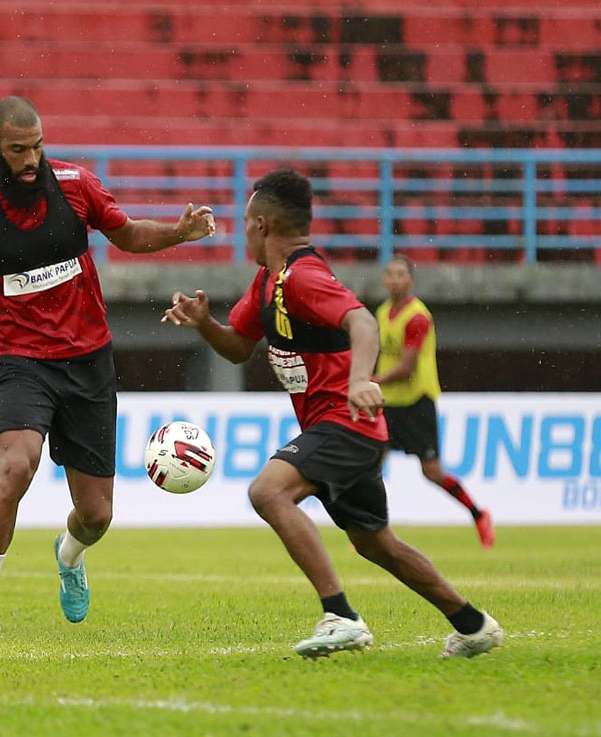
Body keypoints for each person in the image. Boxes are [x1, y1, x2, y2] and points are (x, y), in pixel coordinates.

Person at [0, 96, 215, 632]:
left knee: (96, 515)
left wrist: (178, 232)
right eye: (18, 149)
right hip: (20, 361)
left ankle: (69, 558)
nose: (31, 158)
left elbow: (125, 233)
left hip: (88, 361)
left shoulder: (76, 185)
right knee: (16, 466)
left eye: (37, 145)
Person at [162, 168, 502, 659]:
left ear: (261, 225)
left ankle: (340, 616)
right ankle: (473, 625)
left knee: (268, 491)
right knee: (375, 544)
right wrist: (203, 324)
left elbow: (361, 320)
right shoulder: (268, 283)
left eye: (244, 223)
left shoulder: (304, 276)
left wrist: (361, 379)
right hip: (344, 427)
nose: (241, 233)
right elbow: (238, 347)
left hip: (344, 421)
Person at [375, 256, 494, 547]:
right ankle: (371, 530)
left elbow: (406, 368)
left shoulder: (417, 316)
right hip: (388, 405)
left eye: (401, 274)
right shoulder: (382, 312)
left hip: (417, 403)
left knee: (432, 473)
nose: (395, 279)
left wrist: (371, 381)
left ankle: (479, 515)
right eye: (390, 274)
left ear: (411, 281)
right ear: (384, 280)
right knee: (370, 467)